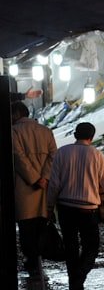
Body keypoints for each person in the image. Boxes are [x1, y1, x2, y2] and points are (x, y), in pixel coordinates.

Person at [46, 122, 104, 290]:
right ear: (91, 137)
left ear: (75, 134)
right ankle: (80, 276)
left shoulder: (62, 152)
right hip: (88, 210)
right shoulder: (96, 154)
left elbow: (53, 184)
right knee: (91, 247)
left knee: (71, 249)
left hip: (65, 208)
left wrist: (49, 207)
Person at [10, 100, 57, 274]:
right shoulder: (46, 131)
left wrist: (35, 178)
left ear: (16, 114)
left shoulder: (13, 132)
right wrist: (44, 178)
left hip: (24, 189)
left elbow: (18, 158)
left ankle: (33, 262)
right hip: (43, 190)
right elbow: (54, 156)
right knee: (41, 225)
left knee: (26, 228)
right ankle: (38, 260)